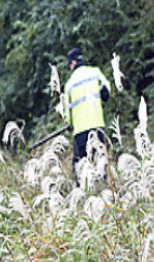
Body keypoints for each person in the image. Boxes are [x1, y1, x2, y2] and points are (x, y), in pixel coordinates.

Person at [63, 48, 111, 181]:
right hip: (98, 126)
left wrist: (69, 124)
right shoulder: (95, 72)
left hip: (80, 132)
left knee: (80, 167)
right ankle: (105, 190)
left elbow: (68, 113)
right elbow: (107, 90)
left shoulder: (69, 85)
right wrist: (101, 104)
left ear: (73, 63)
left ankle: (82, 194)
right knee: (101, 163)